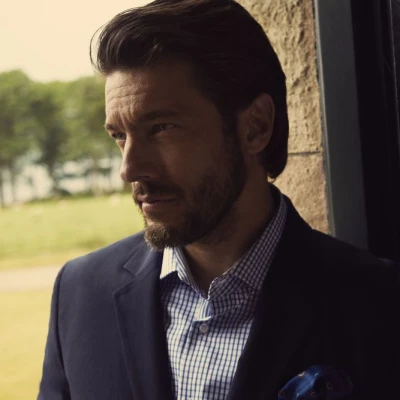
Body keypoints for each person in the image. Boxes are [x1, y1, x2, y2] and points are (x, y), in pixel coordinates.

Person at [38, 1, 400, 399]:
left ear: (256, 127)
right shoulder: (80, 291)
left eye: (161, 128)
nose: (129, 169)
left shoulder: (380, 304)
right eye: (119, 136)